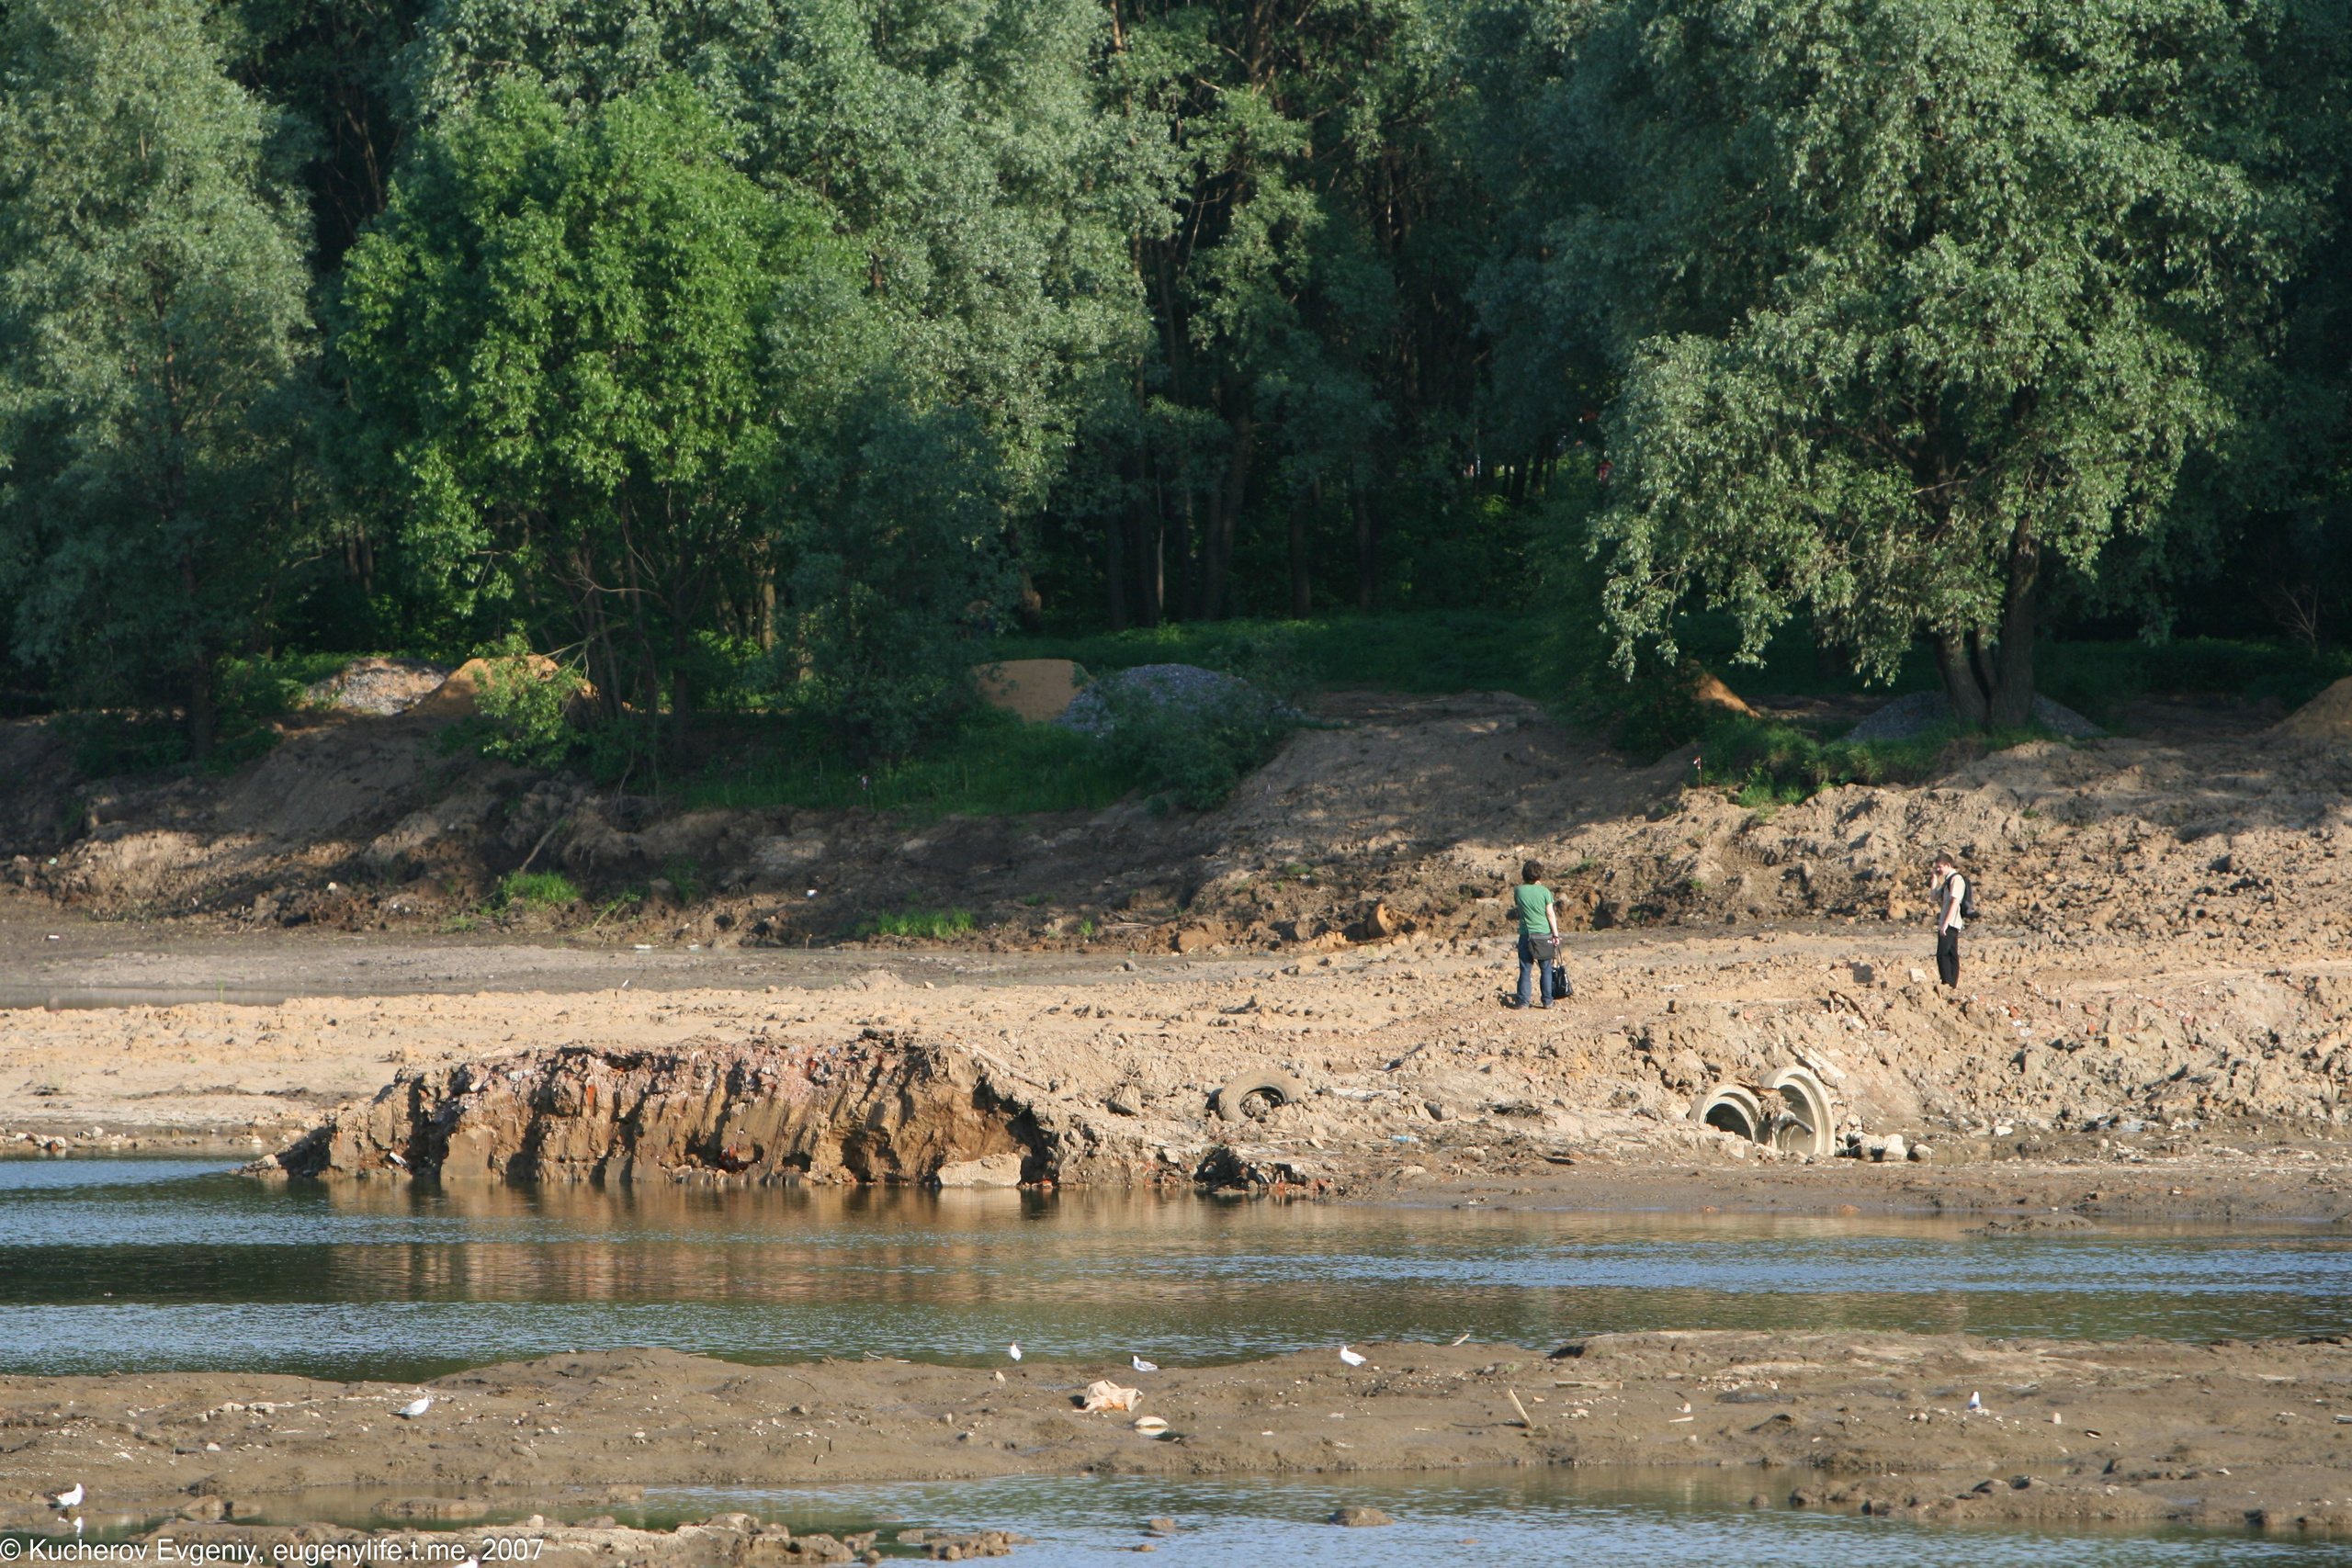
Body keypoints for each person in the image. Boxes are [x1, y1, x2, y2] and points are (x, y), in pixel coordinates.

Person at [1510, 859, 1562, 1009]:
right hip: (1544, 934)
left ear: (1523, 875)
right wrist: (1555, 935)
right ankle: (1547, 1000)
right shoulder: (1545, 891)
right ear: (1539, 876)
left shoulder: (1518, 891)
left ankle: (1523, 1001)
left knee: (1525, 969)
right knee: (1546, 969)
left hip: (1526, 934)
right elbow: (1550, 914)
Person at [1931, 852, 1968, 988]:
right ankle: (1951, 984)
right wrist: (1935, 878)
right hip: (1948, 923)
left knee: (1943, 954)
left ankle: (1947, 983)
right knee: (1951, 953)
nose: (1938, 869)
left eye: (1939, 867)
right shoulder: (1948, 880)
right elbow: (1934, 897)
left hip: (1951, 923)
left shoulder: (1956, 879)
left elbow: (1955, 902)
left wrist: (1946, 923)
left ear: (1948, 865)